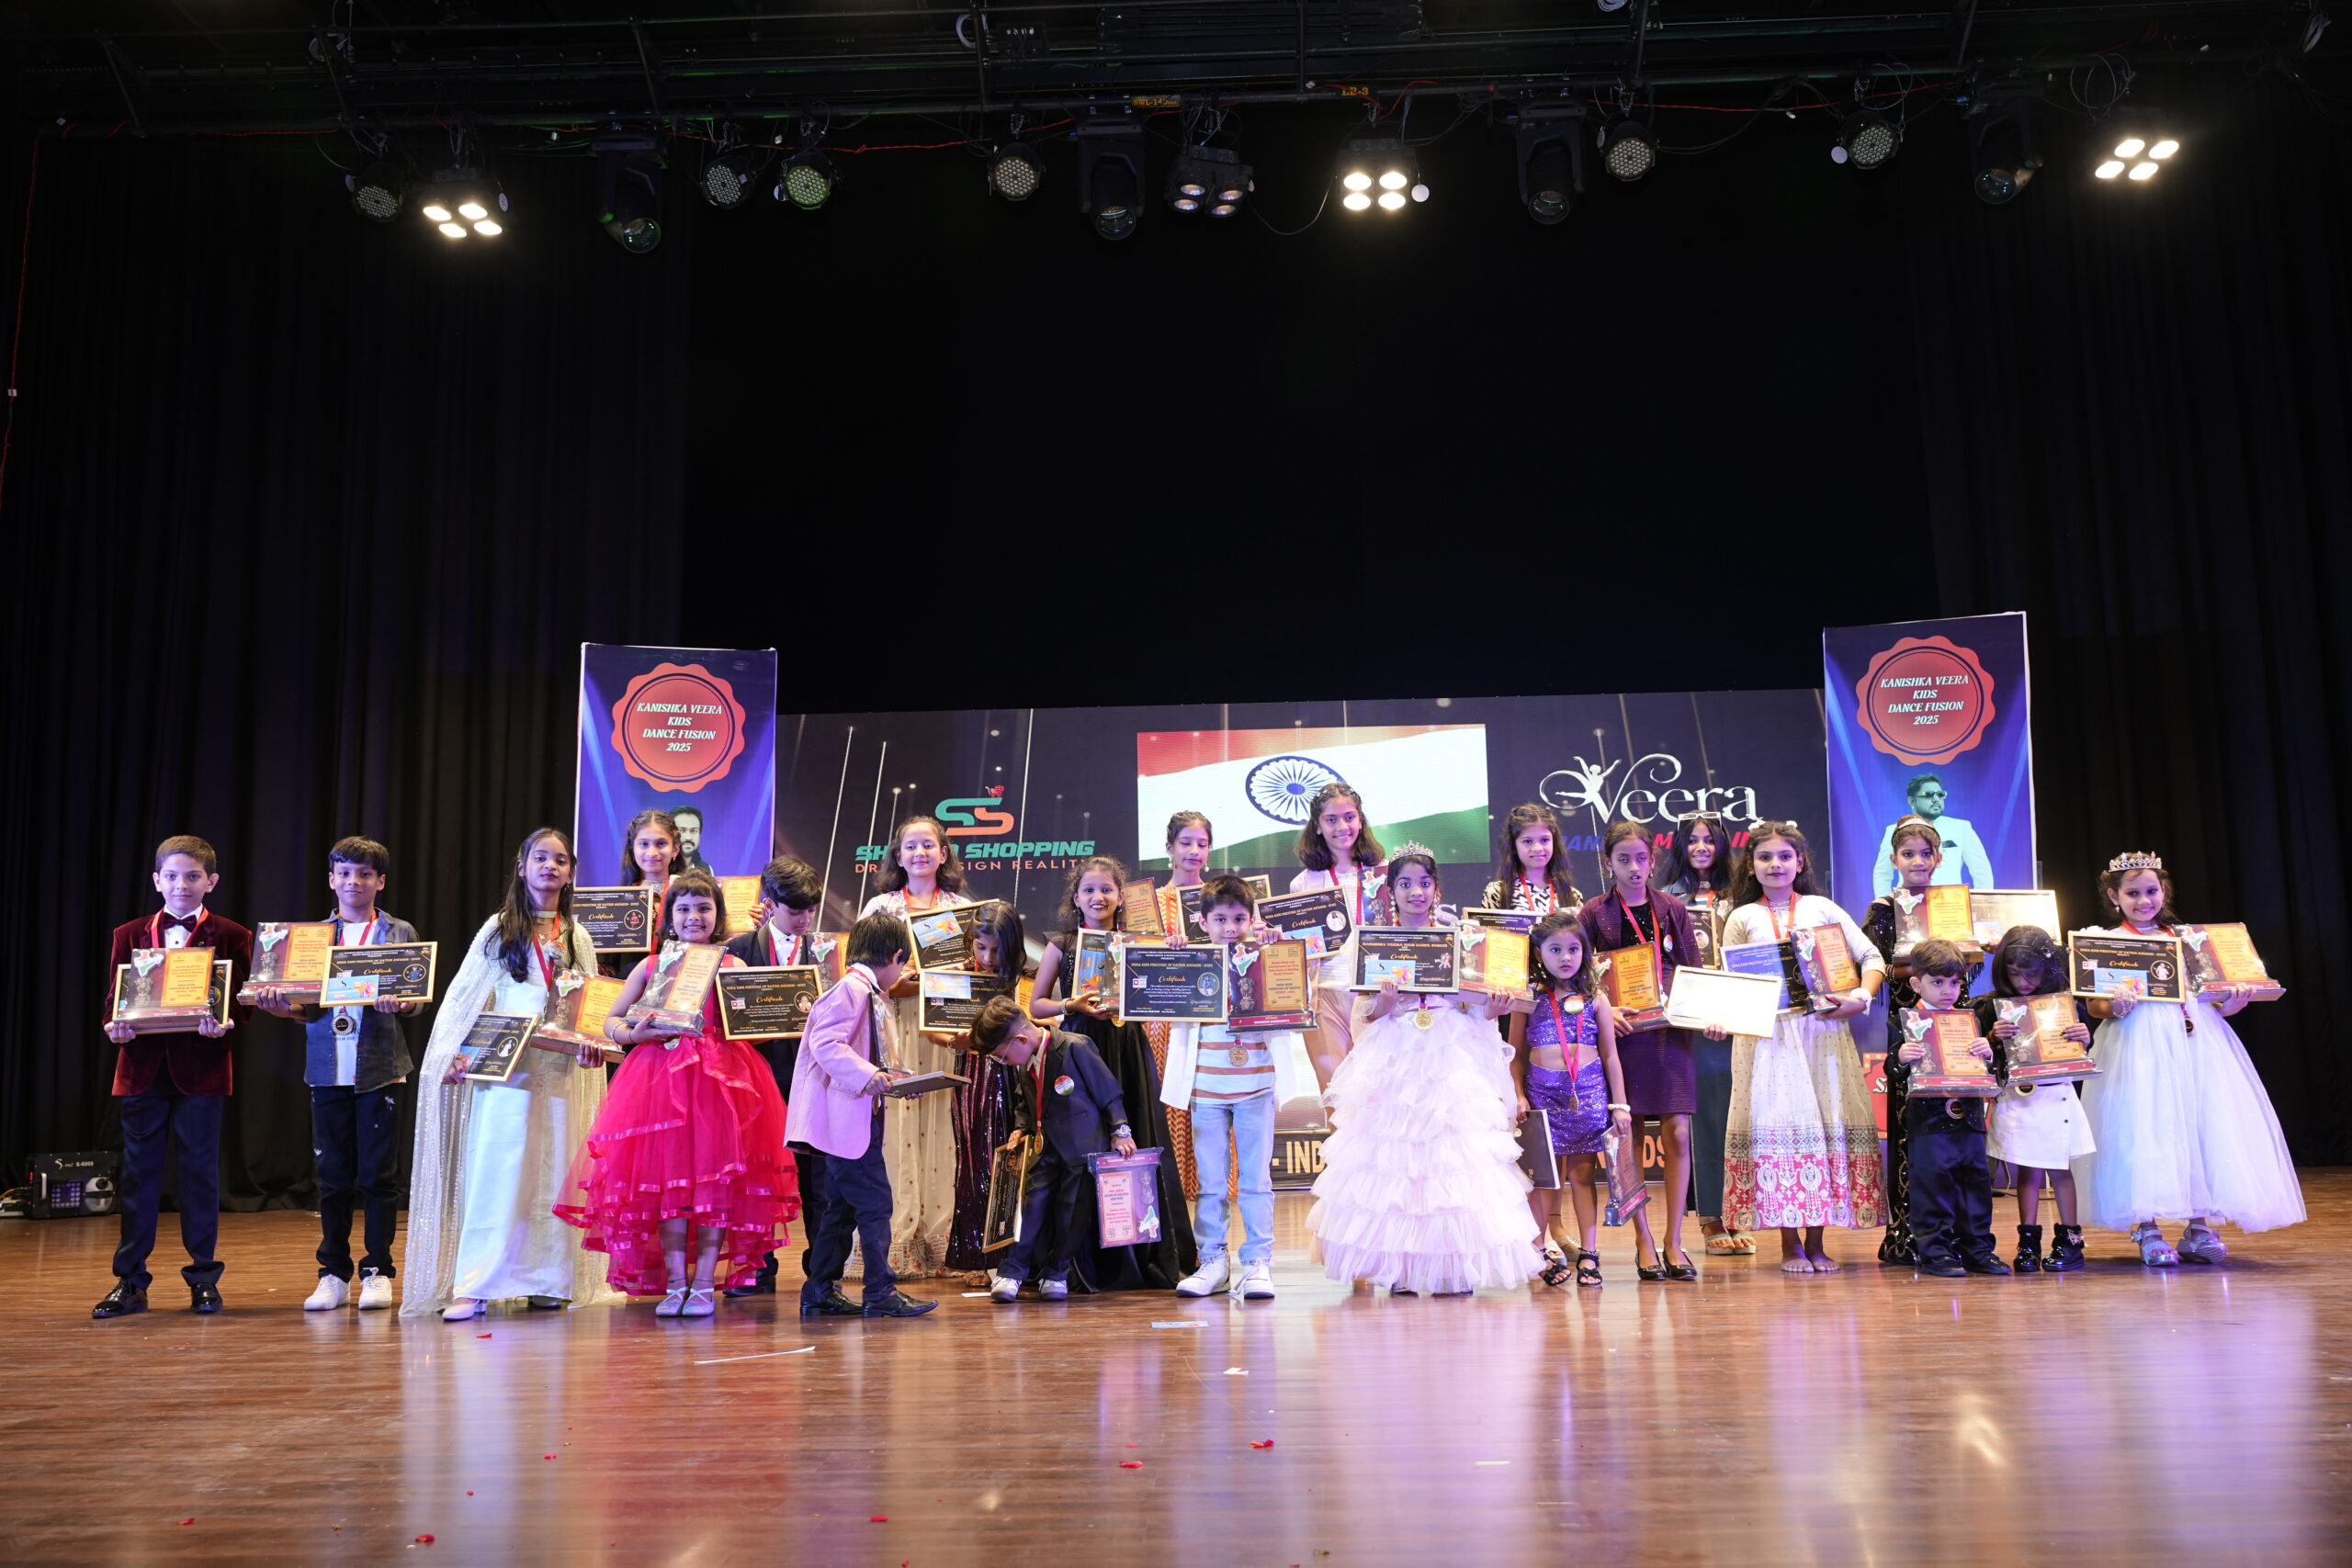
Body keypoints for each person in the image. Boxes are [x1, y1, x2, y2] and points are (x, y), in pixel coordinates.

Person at [401, 828, 616, 1321]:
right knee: (498, 1171)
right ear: (522, 867)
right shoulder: (499, 929)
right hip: (506, 1069)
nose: (550, 867)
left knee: (554, 1172)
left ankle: (548, 1281)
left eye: (560, 860)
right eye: (540, 858)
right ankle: (475, 1285)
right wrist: (452, 1053)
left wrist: (593, 1048)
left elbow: (589, 1007)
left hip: (558, 1071)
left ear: (570, 873)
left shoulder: (577, 935)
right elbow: (464, 998)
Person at [558, 874, 797, 1316]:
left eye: (704, 908)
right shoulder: (651, 966)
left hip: (722, 1087)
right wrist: (635, 1034)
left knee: (714, 1185)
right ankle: (674, 1283)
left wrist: (771, 1021)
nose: (694, 917)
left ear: (718, 916)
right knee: (667, 1185)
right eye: (683, 909)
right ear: (669, 917)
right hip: (658, 1086)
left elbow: (753, 1026)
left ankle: (703, 1283)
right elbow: (611, 1021)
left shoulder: (733, 964)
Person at [1310, 851, 1539, 1296]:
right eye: (1405, 884)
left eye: (1424, 883)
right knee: (1399, 1163)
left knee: (1449, 1161)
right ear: (1391, 891)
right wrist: (1385, 1004)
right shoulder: (1374, 941)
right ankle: (1400, 1265)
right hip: (1396, 1056)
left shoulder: (1461, 939)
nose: (1416, 892)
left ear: (1436, 889)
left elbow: (1473, 1008)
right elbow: (1363, 1017)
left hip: (1449, 1054)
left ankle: (1451, 1266)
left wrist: (1492, 1010)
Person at [2074, 852, 2304, 1265]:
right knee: (2143, 1125)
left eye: (2151, 891)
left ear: (2163, 891)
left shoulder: (2190, 940)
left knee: (2200, 1122)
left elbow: (2208, 998)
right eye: (2133, 893)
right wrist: (2116, 1005)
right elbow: (2095, 1006)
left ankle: (2199, 1227)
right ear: (2114, 896)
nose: (2144, 901)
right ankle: (2147, 1227)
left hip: (2194, 1039)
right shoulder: (2108, 941)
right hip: (2137, 1041)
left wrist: (2232, 1002)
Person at [254, 836, 419, 1313]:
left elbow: (414, 997)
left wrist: (401, 1003)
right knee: (332, 1178)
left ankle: (378, 1272)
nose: (354, 881)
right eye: (345, 873)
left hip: (381, 1069)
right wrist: (281, 1007)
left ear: (380, 882)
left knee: (379, 1178)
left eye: (365, 874)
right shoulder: (312, 938)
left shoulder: (398, 931)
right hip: (328, 1069)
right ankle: (333, 1274)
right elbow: (306, 1008)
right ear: (331, 879)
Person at [93, 835, 253, 1320]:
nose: (182, 885)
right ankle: (130, 1281)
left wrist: (225, 1021)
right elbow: (115, 1000)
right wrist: (115, 1026)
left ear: (211, 881)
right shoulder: (129, 933)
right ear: (157, 880)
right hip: (142, 1070)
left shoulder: (232, 935)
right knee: (138, 1178)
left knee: (200, 1176)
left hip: (202, 1070)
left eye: (193, 876)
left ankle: (204, 1279)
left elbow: (241, 1004)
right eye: (172, 876)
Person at [1720, 820, 1889, 1274]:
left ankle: (1817, 1242)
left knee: (1824, 1128)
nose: (1775, 865)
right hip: (1768, 1040)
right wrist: (1719, 1017)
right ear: (1751, 866)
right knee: (1781, 1131)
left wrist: (1860, 998)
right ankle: (1789, 1245)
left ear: (1800, 862)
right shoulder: (1741, 918)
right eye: (1764, 857)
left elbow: (1872, 957)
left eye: (1784, 856)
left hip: (1822, 1034)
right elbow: (1732, 982)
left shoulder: (1821, 908)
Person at [1030, 857, 1195, 1287]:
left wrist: (1172, 949)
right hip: (1080, 1049)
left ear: (1121, 897)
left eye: (1106, 889)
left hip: (1127, 1048)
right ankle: (1076, 1259)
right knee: (1083, 1146)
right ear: (1076, 897)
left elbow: (1169, 986)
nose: (1098, 897)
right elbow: (1036, 1005)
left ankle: (1140, 1253)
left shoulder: (1138, 941)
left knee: (1134, 1136)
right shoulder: (1062, 944)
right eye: (1089, 889)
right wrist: (1070, 1005)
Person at [1165, 874, 1310, 1301]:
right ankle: (1213, 1261)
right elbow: (1156, 994)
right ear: (1202, 922)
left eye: (1239, 919)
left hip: (1256, 1086)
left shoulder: (1267, 955)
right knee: (1211, 1183)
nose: (1230, 928)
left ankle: (1257, 1263)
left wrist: (1282, 951)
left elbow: (1301, 991)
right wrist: (1173, 956)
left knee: (1256, 1181)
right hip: (1206, 1088)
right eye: (1221, 919)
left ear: (1251, 919)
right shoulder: (1191, 959)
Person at [787, 910, 936, 1318]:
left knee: (842, 1208)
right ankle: (879, 1290)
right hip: (845, 1121)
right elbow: (826, 1044)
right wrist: (871, 1076)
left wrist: (896, 1080)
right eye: (902, 965)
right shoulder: (851, 989)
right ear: (896, 956)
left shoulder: (862, 990)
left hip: (852, 1120)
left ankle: (819, 1289)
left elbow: (863, 1053)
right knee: (875, 1203)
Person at [1577, 822, 1702, 1280]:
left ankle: (1674, 1240)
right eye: (1623, 859)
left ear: (1653, 860)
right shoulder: (1594, 912)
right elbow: (1580, 975)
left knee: (1679, 1134)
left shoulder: (1672, 908)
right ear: (1608, 863)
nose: (1634, 868)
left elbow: (1694, 969)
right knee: (1626, 1138)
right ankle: (1643, 1238)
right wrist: (1606, 1009)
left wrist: (1704, 1012)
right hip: (1622, 1038)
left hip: (1669, 1035)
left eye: (1641, 859)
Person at [860, 814, 974, 1280]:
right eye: (911, 846)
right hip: (894, 1028)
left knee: (943, 1127)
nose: (920, 853)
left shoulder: (962, 909)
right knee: (898, 1130)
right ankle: (898, 1243)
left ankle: (942, 1241)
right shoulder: (880, 908)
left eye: (929, 845)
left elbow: (974, 975)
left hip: (943, 1030)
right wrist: (906, 982)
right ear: (898, 856)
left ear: (944, 854)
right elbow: (864, 973)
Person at [971, 998, 1138, 1303]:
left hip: (1082, 1147)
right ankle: (1013, 1270)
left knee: (1072, 1213)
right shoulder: (1025, 1060)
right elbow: (1025, 1101)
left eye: (1002, 1057)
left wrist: (1120, 1130)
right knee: (1031, 1208)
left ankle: (1057, 1272)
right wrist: (1021, 1127)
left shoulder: (1075, 1047)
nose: (1005, 1063)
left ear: (1021, 1040)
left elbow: (1108, 1091)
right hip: (1044, 1145)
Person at [721, 854, 827, 1296]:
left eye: (810, 910)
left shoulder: (826, 951)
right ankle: (756, 1267)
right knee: (757, 1175)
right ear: (769, 903)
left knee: (818, 1179)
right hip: (756, 1078)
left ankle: (822, 1271)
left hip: (813, 1077)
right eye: (795, 909)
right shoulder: (737, 951)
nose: (804, 919)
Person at [1510, 910, 1630, 1287]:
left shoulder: (1596, 998)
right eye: (1555, 949)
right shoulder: (1528, 998)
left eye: (1574, 949)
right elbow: (1514, 1053)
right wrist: (1517, 1094)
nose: (1565, 957)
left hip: (1588, 1095)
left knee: (1582, 1175)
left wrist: (1620, 1105)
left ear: (1585, 952)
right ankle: (1539, 1250)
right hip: (1542, 1097)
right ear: (1539, 953)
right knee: (1544, 1181)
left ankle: (1590, 1253)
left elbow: (1610, 1055)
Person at [1973, 925, 2096, 1273]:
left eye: (2032, 973)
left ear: (2048, 968)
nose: (2024, 981)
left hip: (2057, 1094)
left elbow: (2082, 1052)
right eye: (2014, 973)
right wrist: (1992, 1037)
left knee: (2060, 1168)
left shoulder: (2066, 1005)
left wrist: (2084, 1037)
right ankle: (2028, 1243)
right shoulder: (1991, 1006)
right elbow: (1980, 1059)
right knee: (2026, 1168)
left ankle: (2070, 1242)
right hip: (2019, 1096)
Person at [1859, 817, 1952, 1267]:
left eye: (1925, 853)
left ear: (1938, 858)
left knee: (1953, 1123)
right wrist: (1927, 966)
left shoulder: (1955, 904)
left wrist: (1979, 948)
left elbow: (1966, 964)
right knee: (1909, 1125)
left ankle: (1955, 1233)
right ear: (1894, 859)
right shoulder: (1883, 908)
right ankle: (1908, 1233)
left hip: (1955, 1024)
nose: (1917, 861)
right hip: (1909, 1024)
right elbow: (1874, 965)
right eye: (1908, 853)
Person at [1657, 810, 1750, 1257]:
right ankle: (1711, 1216)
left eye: (1709, 840)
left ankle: (1737, 1212)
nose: (1700, 848)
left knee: (1738, 1114)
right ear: (1679, 846)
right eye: (1692, 840)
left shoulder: (1741, 897)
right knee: (1708, 1115)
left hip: (1737, 1015)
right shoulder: (1664, 899)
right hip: (1692, 1017)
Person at [1890, 940, 2008, 1278]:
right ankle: (1936, 1252)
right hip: (1929, 1121)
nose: (1947, 990)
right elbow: (1892, 1068)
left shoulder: (1969, 1020)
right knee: (1933, 1185)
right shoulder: (1905, 1021)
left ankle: (1978, 1250)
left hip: (1969, 1118)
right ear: (1917, 983)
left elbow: (1989, 1069)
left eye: (1955, 982)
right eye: (1938, 982)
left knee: (1976, 1183)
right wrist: (1900, 1057)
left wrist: (1988, 1054)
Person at [944, 901, 1030, 1282]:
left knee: (1015, 1162)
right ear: (970, 942)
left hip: (1017, 1076)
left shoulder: (1024, 980)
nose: (989, 957)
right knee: (976, 1162)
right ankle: (979, 1256)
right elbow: (936, 1031)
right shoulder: (958, 977)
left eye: (997, 949)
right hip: (974, 1077)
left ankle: (1018, 1256)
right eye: (981, 947)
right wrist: (956, 1041)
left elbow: (1040, 1023)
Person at [1288, 783, 1387, 1090]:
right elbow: (1298, 946)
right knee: (1336, 1093)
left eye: (1349, 817)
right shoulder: (1303, 883)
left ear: (1361, 820)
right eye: (1331, 819)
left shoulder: (1386, 874)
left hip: (1377, 994)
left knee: (1379, 1094)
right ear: (1317, 826)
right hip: (1327, 995)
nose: (1342, 827)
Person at [1152, 811, 1216, 1203]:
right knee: (1166, 1105)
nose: (1194, 851)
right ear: (1169, 848)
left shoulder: (1220, 897)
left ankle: (1212, 1203)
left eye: (1202, 844)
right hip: (1161, 1023)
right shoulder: (1148, 903)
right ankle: (1168, 1203)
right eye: (1186, 842)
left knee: (1210, 1109)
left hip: (1210, 1021)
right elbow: (1133, 956)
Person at [1871, 773, 1995, 897]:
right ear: (1912, 801)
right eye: (1928, 795)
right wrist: (1884, 905)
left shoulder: (1961, 828)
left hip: (1951, 902)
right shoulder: (1895, 830)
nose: (1936, 799)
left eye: (1940, 794)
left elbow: (1981, 870)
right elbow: (1883, 873)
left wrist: (1981, 904)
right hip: (1908, 902)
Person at [1476, 801, 1585, 915]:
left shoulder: (1572, 896)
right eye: (1528, 841)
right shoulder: (1497, 892)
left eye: (1544, 840)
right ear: (1514, 846)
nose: (1538, 848)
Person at [672, 806, 713, 874]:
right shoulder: (662, 868)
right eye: (682, 830)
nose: (688, 837)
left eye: (693, 831)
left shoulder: (707, 869)